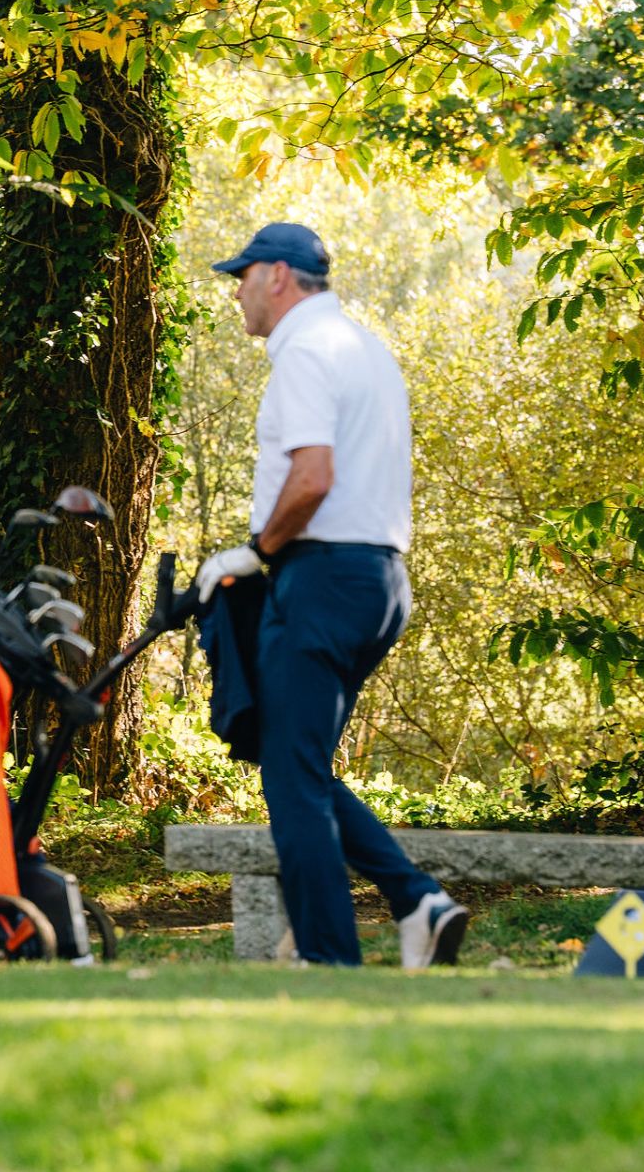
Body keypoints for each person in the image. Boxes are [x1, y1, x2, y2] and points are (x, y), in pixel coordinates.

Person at [197, 222, 469, 969]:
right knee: (299, 763)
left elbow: (312, 477)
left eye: (243, 277)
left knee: (291, 778)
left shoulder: (306, 351)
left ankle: (327, 956)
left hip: (320, 578)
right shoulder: (363, 347)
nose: (237, 293)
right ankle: (417, 901)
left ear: (277, 276)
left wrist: (257, 552)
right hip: (378, 580)